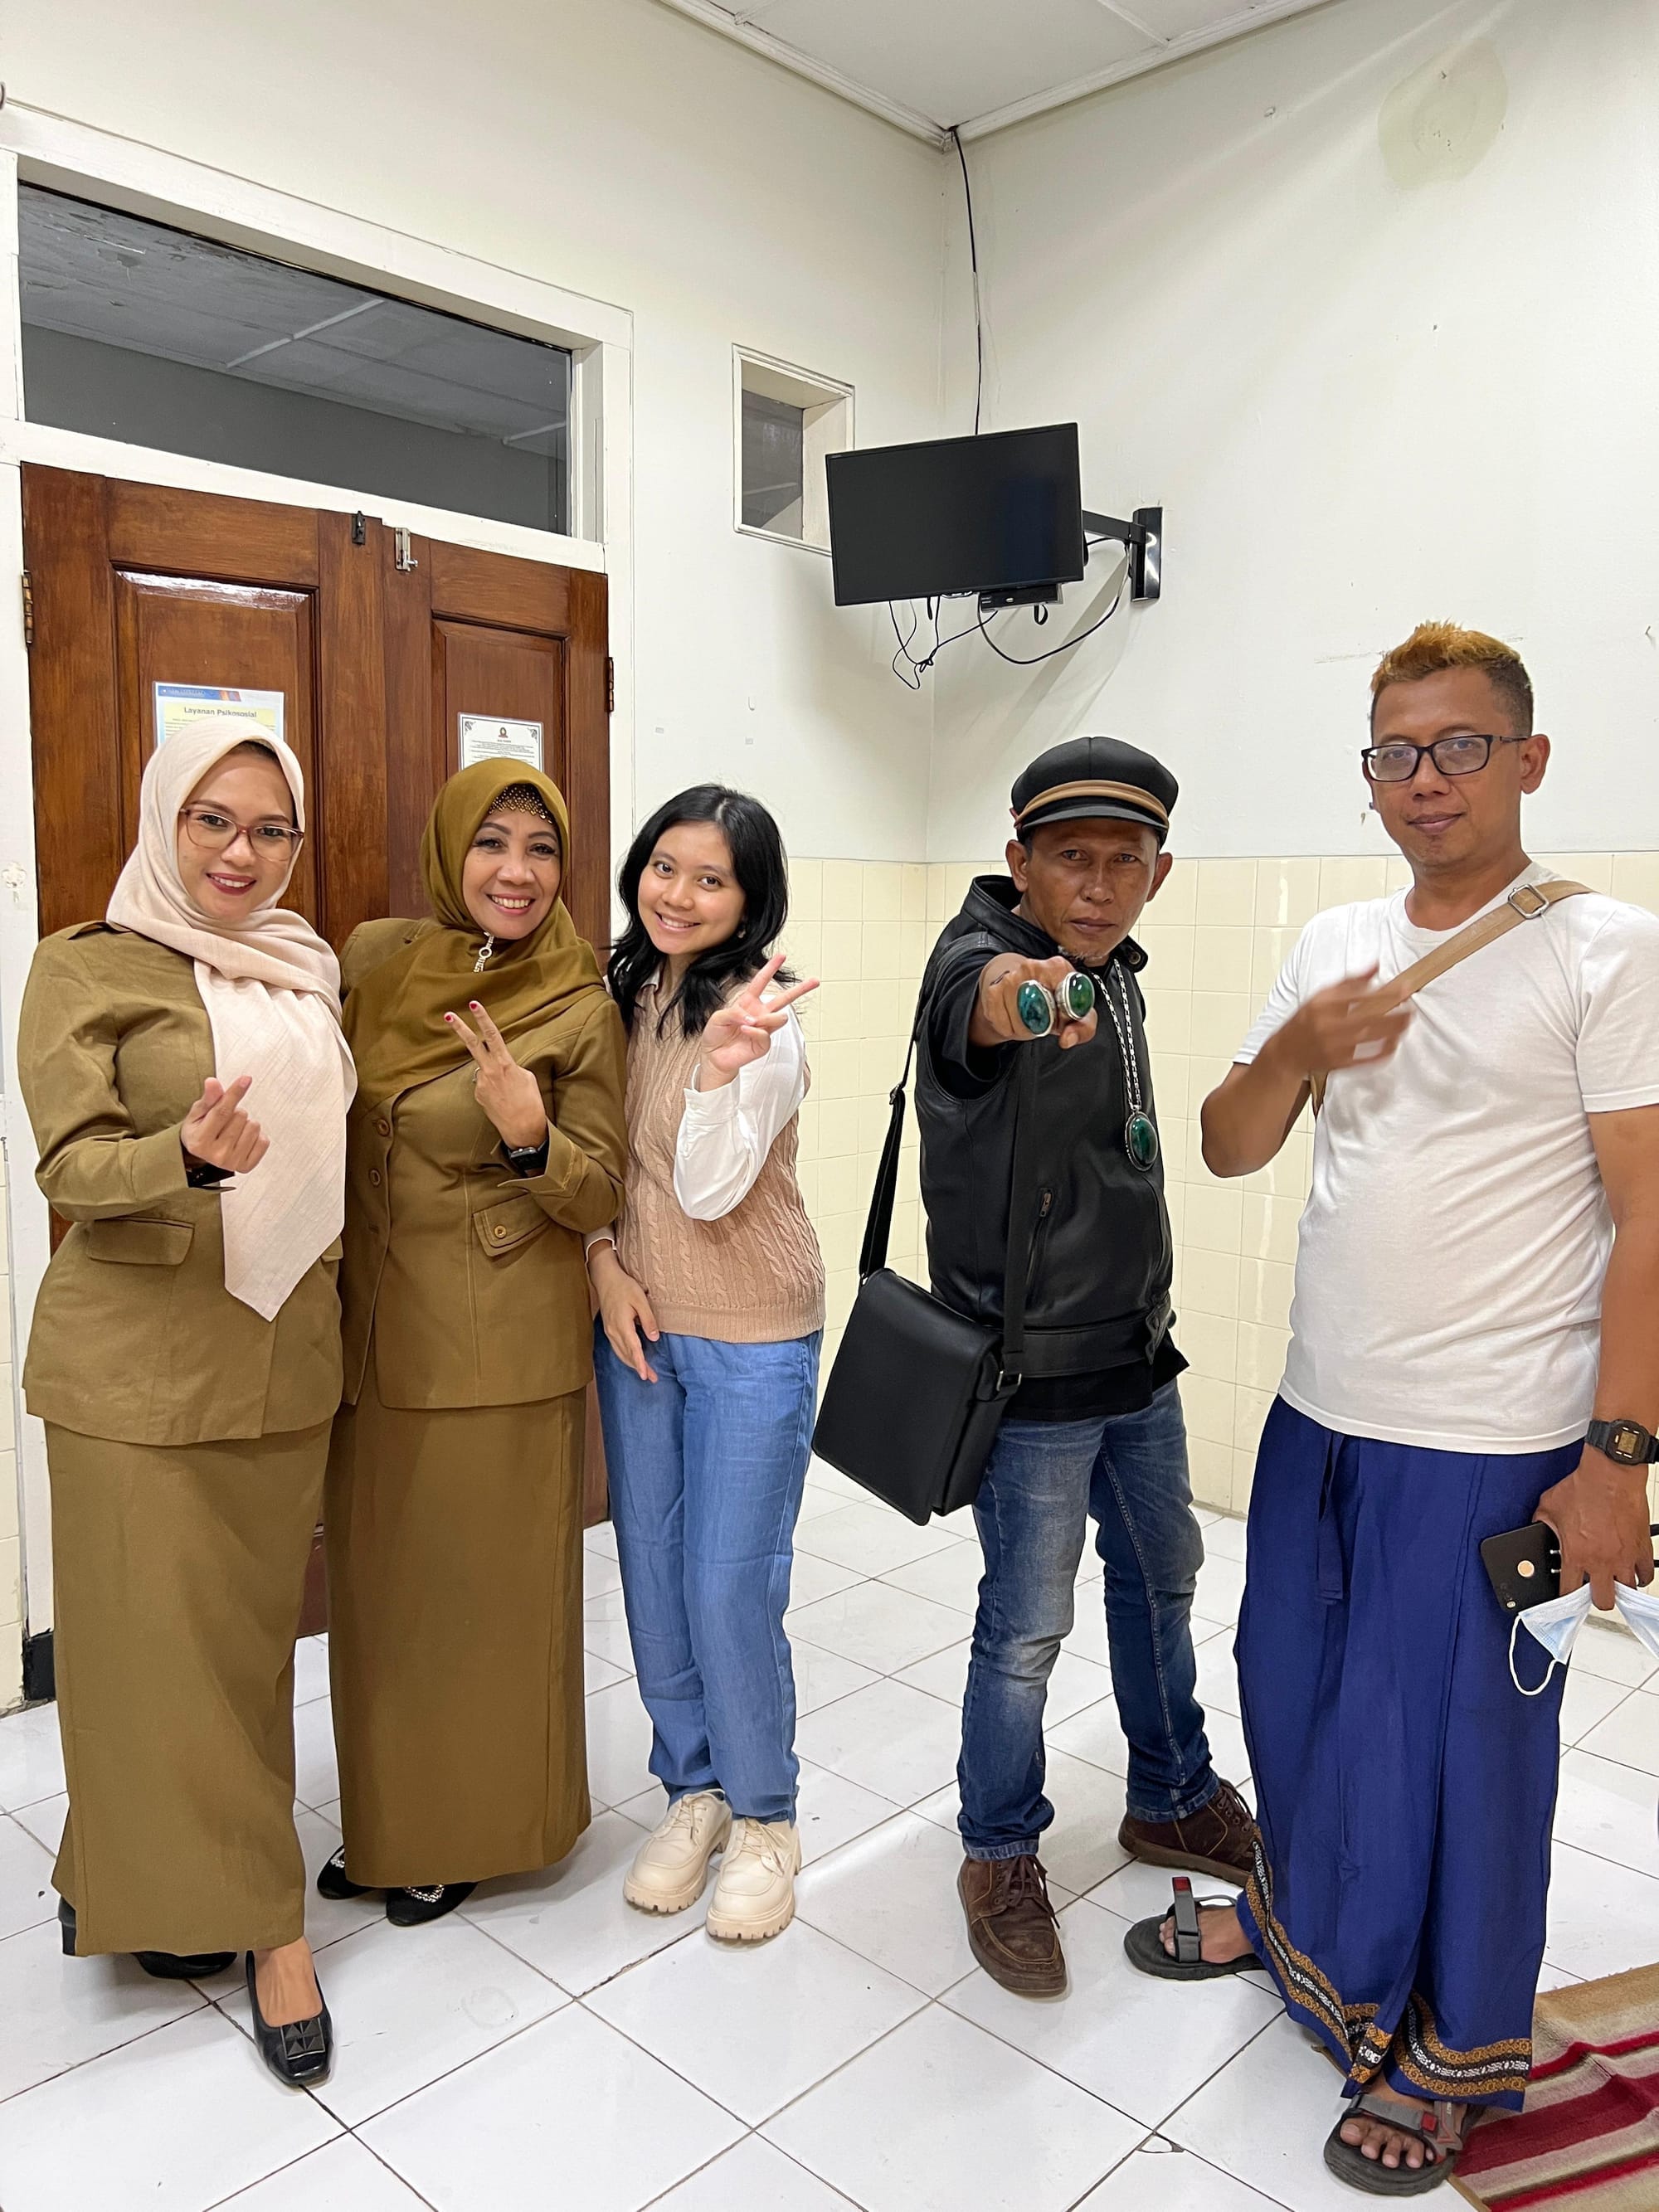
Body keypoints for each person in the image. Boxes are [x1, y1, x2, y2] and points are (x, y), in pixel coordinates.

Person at [1133, 623, 1659, 2195]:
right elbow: (1229, 1144)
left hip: (1496, 1436)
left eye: (1461, 747)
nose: (1426, 780)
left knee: (1463, 1747)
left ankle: (1454, 2048)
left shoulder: (1604, 952)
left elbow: (1651, 1211)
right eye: (1396, 754)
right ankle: (1306, 1930)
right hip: (1322, 1412)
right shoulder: (1336, 943)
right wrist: (1297, 1048)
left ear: (1529, 759)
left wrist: (1618, 1459)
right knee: (1293, 1692)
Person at [19, 717, 355, 2088]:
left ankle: (170, 1880)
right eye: (213, 819)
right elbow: (68, 1168)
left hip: (283, 1359)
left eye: (271, 828)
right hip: (134, 1370)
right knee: (138, 1653)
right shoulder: (84, 964)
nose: (241, 851)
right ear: (166, 818)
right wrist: (187, 1157)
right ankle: (270, 1927)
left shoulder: (307, 969)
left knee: (243, 1656)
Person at [915, 734, 1257, 2001]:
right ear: (1021, 860)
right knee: (1026, 1627)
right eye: (1071, 859)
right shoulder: (980, 959)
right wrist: (1031, 998)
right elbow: (990, 1002)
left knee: (1163, 1575)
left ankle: (1171, 1793)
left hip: (1133, 1352)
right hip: (1032, 1375)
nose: (1099, 887)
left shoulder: (1119, 973)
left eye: (1125, 862)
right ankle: (999, 1852)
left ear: (1159, 872)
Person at [320, 761, 626, 1924]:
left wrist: (531, 1135)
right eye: (493, 842)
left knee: (480, 1603)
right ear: (451, 851)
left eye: (542, 849)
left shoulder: (577, 1001)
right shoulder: (378, 963)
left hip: (493, 1348)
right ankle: (391, 1820)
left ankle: (471, 1834)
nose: (517, 872)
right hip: (368, 1336)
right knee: (384, 1599)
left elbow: (600, 1195)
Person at [588, 785, 824, 1945]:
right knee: (652, 1568)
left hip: (751, 1331)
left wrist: (724, 1070)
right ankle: (695, 1789)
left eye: (712, 879)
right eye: (664, 868)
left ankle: (767, 1816)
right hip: (639, 1322)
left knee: (729, 1581)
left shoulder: (762, 1015)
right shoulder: (623, 988)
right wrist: (600, 1258)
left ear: (749, 898)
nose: (679, 895)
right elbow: (595, 1157)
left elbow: (707, 1188)